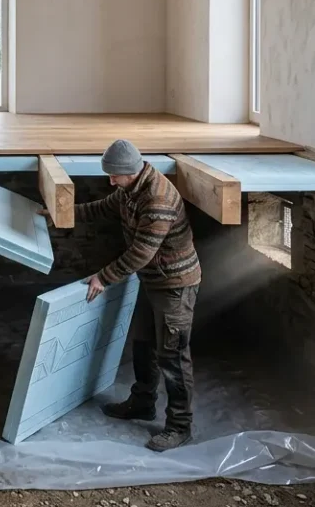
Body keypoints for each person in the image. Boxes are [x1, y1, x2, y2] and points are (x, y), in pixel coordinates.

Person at [46, 139, 201, 452]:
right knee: (143, 345)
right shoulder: (131, 188)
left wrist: (103, 277)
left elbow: (142, 251)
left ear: (130, 172)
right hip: (153, 280)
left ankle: (179, 426)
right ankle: (142, 403)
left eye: (114, 176)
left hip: (174, 285)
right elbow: (101, 208)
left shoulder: (157, 199)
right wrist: (60, 215)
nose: (111, 181)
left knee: (172, 356)